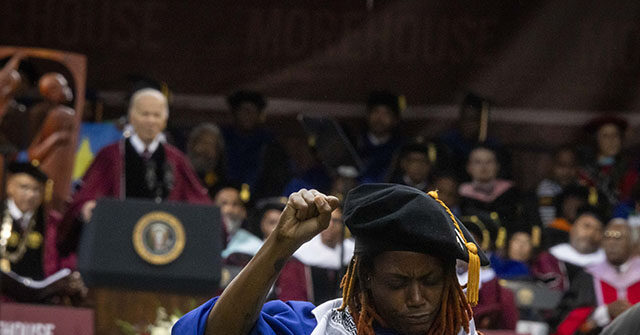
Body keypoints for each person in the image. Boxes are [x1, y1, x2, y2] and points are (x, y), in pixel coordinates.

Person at [173, 184, 489, 335]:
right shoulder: (317, 329)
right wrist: (280, 245)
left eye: (431, 281)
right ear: (366, 277)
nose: (417, 298)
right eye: (398, 282)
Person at [57, 88, 210, 257]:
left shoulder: (176, 160)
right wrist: (86, 208)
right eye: (145, 114)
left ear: (165, 120)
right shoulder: (111, 156)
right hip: (115, 250)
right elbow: (84, 197)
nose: (151, 120)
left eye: (156, 115)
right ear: (132, 116)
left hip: (164, 252)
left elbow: (199, 204)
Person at [1, 161, 86, 304]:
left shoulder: (51, 223)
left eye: (37, 190)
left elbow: (64, 259)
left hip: (41, 301)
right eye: (24, 187)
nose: (31, 194)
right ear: (10, 186)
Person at [552, 219, 640, 334]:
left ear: (631, 244)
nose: (611, 243)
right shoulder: (588, 276)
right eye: (607, 237)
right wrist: (604, 313)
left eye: (618, 238)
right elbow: (567, 322)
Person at [222, 90, 289, 200]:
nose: (247, 115)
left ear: (259, 115)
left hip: (260, 202)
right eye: (243, 110)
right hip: (227, 199)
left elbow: (278, 179)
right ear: (234, 113)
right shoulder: (223, 140)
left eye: (252, 111)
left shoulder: (270, 144)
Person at [458, 215, 519, 330]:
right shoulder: (443, 277)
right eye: (460, 242)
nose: (464, 248)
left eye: (471, 243)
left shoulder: (489, 282)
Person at [532, 207, 605, 292]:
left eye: (598, 230)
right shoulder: (550, 259)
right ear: (572, 228)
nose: (591, 233)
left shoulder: (606, 263)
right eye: (586, 226)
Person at [295, 205, 355, 305]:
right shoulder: (303, 252)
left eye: (335, 221)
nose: (330, 226)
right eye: (327, 220)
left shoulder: (350, 252)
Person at [577, 116, 629, 211]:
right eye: (605, 136)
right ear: (596, 140)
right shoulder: (584, 172)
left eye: (615, 135)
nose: (611, 140)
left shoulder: (630, 169)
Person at [459, 145, 518, 226]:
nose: (484, 167)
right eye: (478, 162)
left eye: (489, 162)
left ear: (497, 166)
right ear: (469, 167)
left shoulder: (509, 191)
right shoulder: (461, 193)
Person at [357, 91, 405, 183]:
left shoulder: (401, 149)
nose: (379, 118)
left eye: (386, 113)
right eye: (376, 112)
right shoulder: (355, 143)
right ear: (367, 115)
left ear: (395, 119)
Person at [537, 147, 578, 226]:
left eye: (571, 165)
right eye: (562, 165)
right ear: (552, 166)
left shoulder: (578, 187)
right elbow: (548, 224)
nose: (567, 170)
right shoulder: (546, 188)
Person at [187, 123, 227, 198]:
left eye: (211, 144)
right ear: (192, 145)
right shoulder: (180, 171)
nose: (206, 149)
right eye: (203, 143)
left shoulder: (222, 181)